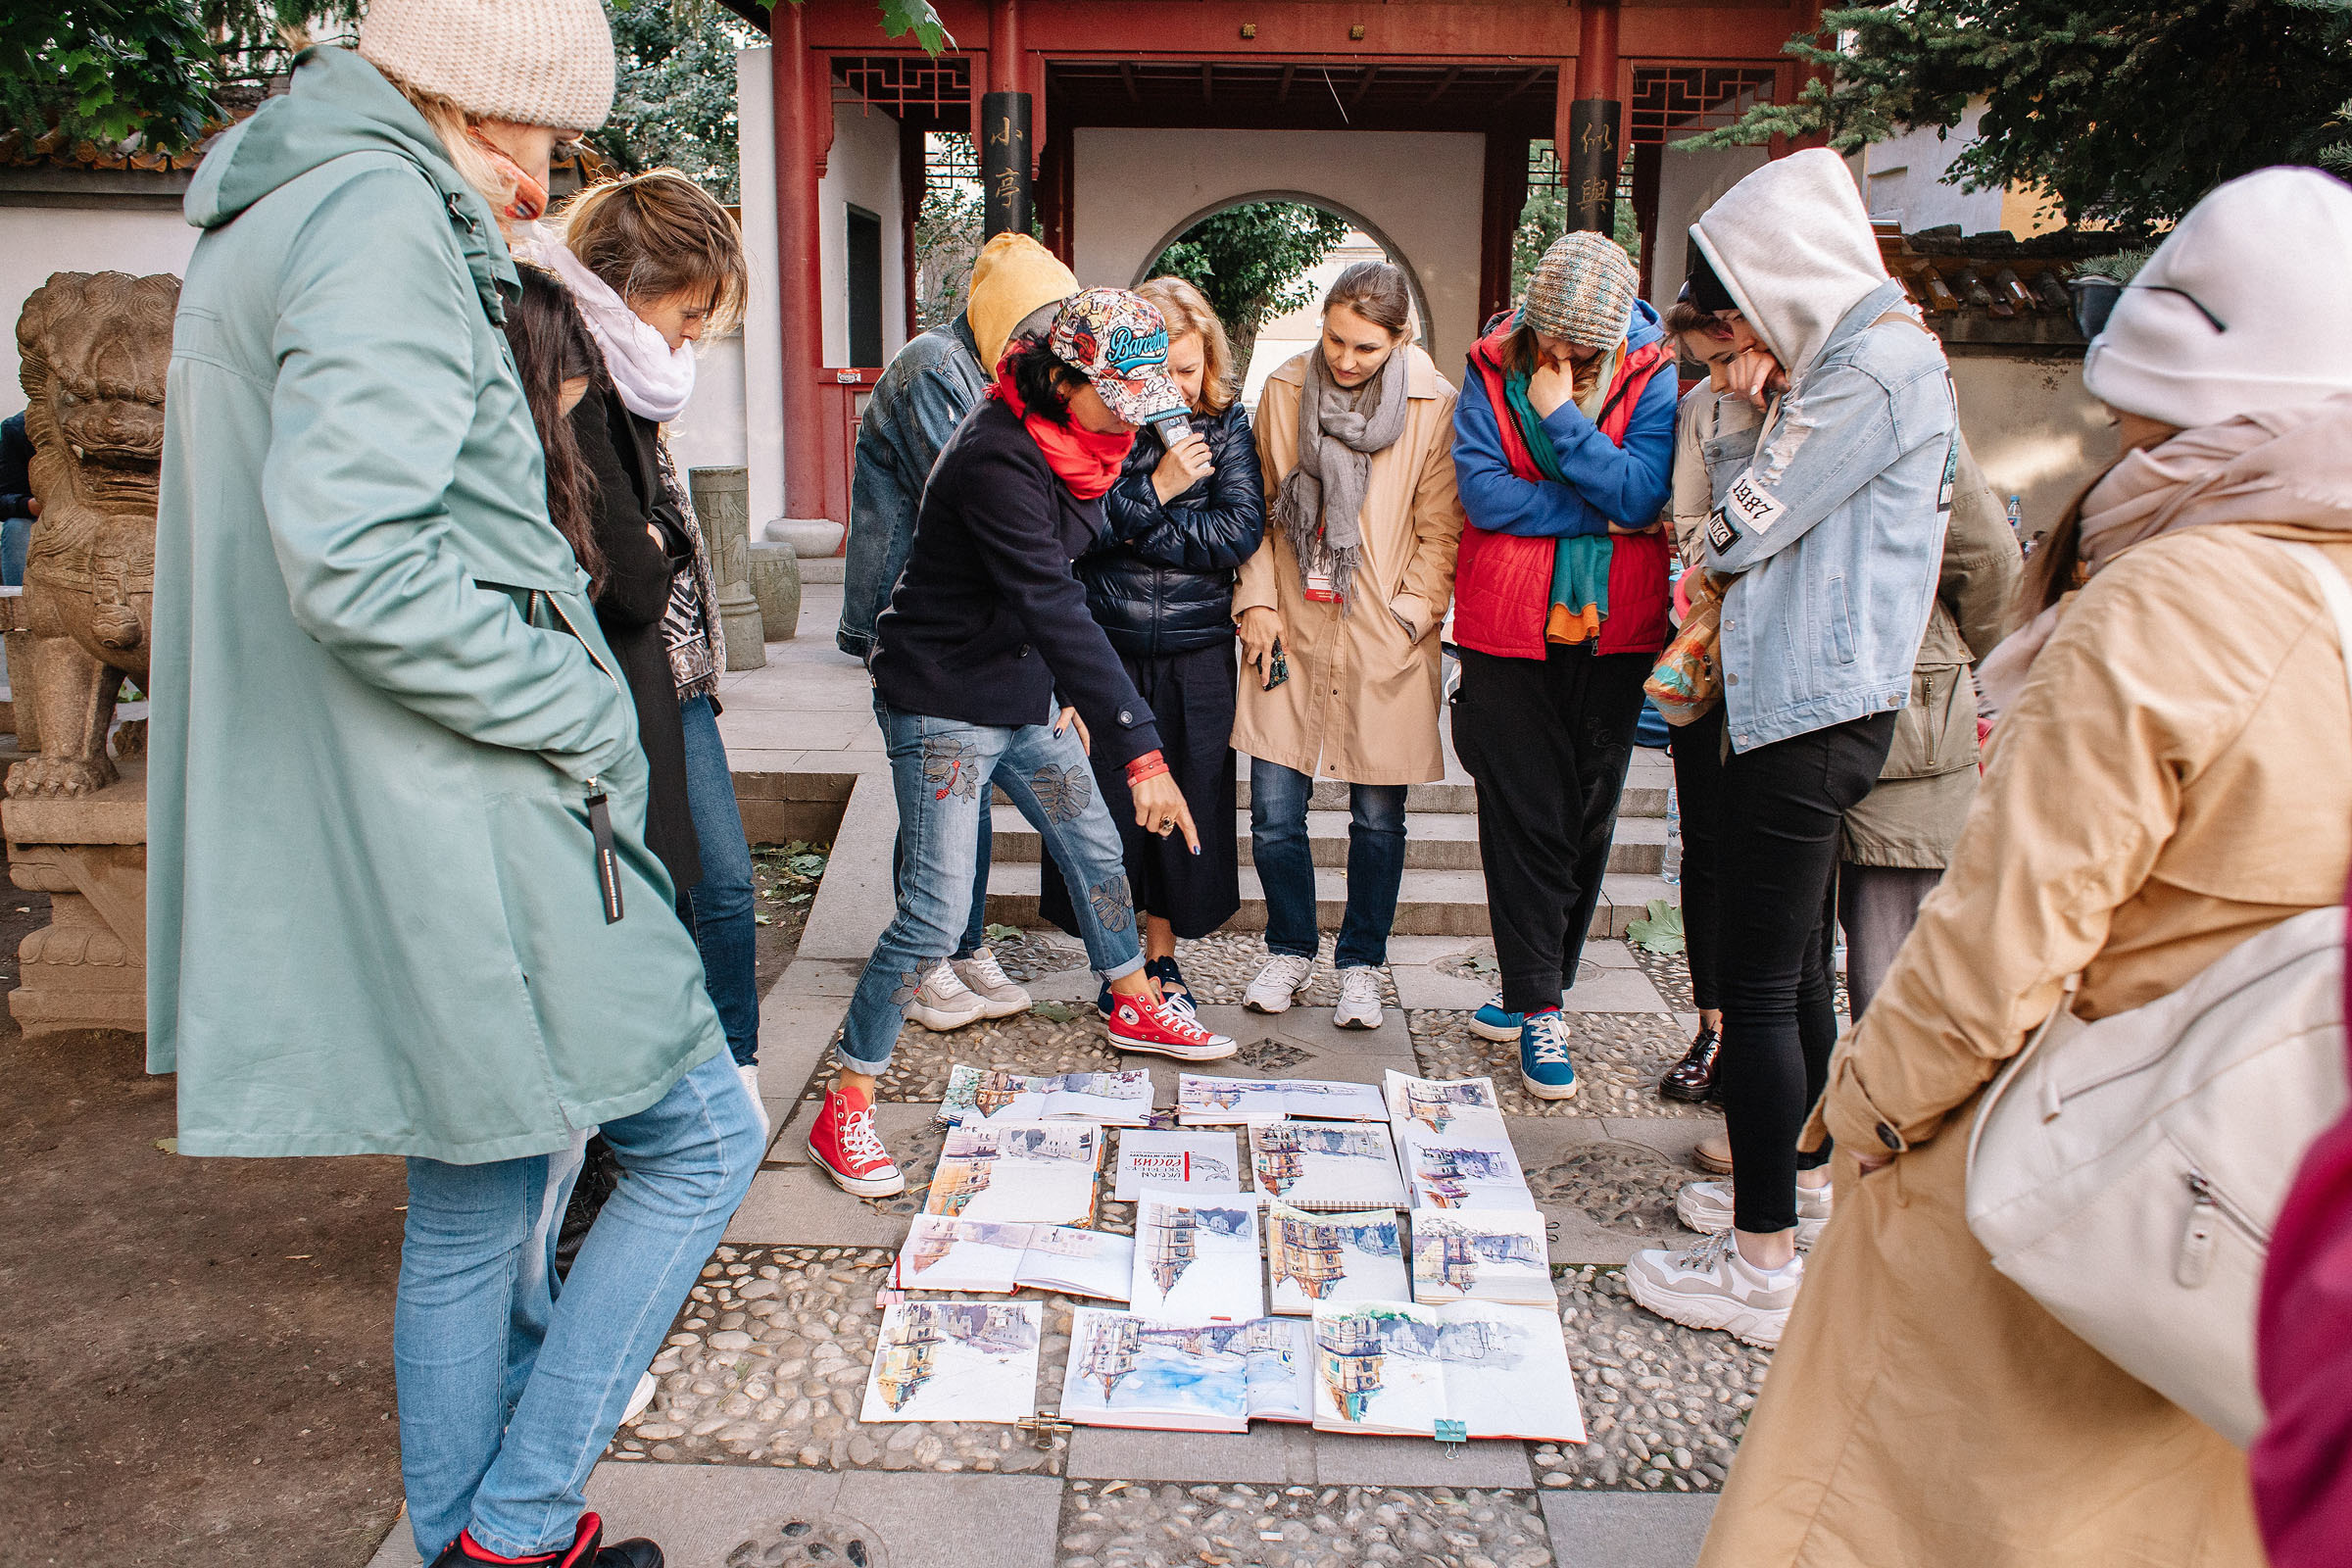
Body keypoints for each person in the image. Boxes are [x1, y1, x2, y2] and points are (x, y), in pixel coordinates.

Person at [150, 12, 759, 1568]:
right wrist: (577, 704)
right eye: (537, 135)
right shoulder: (377, 213)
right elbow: (359, 559)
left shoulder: (278, 199)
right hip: (468, 796)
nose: (541, 180)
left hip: (389, 790)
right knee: (702, 1140)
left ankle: (468, 1546)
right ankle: (519, 1517)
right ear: (467, 98)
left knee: (480, 1190)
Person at [1698, 164, 2352, 1568]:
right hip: (2246, 1166)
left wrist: (1866, 1111)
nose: (2110, 427)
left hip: (2075, 1136)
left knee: (1907, 1496)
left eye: (2128, 404)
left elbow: (2004, 938)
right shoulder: (2326, 579)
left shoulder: (2175, 596)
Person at [1623, 149, 1957, 1347]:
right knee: (1797, 974)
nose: (1725, 373)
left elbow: (1741, 529)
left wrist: (1730, 483)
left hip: (1812, 709)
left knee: (1759, 986)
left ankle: (1760, 1266)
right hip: (1804, 701)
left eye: (1726, 346)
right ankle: (1797, 1187)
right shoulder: (1858, 362)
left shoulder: (1870, 368)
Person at [808, 289, 1238, 1199]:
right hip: (943, 699)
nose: (1132, 420)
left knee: (1096, 846)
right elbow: (1053, 597)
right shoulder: (997, 455)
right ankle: (844, 1101)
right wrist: (1143, 752)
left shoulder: (1084, 441)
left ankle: (1133, 999)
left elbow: (1077, 544)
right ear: (1063, 380)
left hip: (1018, 688)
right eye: (1117, 400)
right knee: (934, 915)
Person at [525, 171, 764, 1120]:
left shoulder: (628, 373)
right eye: (688, 309)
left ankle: (729, 1074)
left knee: (716, 884)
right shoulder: (574, 365)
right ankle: (697, 1088)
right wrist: (662, 538)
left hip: (680, 674)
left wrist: (660, 538)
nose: (693, 334)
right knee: (685, 888)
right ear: (630, 286)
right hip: (628, 675)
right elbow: (628, 567)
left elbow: (654, 531)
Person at [1448, 232, 1679, 1100]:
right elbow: (1484, 495)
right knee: (1526, 814)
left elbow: (1644, 493)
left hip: (1613, 630)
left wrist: (1559, 418)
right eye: (1548, 336)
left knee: (1587, 812)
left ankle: (1537, 980)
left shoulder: (1653, 374)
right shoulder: (1489, 367)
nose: (1559, 356)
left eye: (1581, 348)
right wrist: (1596, 512)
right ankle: (1541, 1005)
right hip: (1507, 625)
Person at [838, 233, 1078, 1029]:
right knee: (941, 790)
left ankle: (963, 944)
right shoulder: (936, 367)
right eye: (1040, 331)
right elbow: (994, 502)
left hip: (976, 624)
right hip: (915, 621)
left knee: (965, 785)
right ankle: (928, 960)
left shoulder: (1000, 371)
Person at [1234, 261, 1465, 1030]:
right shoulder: (1284, 389)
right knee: (1273, 813)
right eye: (1335, 339)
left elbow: (1441, 530)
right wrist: (1256, 599)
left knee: (1377, 820)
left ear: (1401, 338)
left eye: (1366, 348)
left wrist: (1410, 616)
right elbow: (1259, 510)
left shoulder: (1434, 405)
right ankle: (1290, 948)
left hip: (1381, 634)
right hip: (1290, 627)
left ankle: (1361, 963)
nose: (1344, 358)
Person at [1039, 275, 1263, 1004]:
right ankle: (1119, 963)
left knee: (1188, 800)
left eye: (1190, 369)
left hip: (1198, 648)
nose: (1177, 386)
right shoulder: (1100, 423)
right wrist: (1163, 487)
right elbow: (1078, 529)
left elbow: (1238, 532)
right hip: (1104, 645)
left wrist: (1135, 528)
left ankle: (1163, 958)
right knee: (1103, 809)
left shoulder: (1226, 426)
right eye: (1162, 370)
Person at [1649, 297, 1762, 1114]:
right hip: (1712, 644)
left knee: (1779, 852)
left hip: (1793, 660)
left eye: (1724, 355)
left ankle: (1771, 1034)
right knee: (1709, 847)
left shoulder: (1826, 397)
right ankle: (1714, 1023)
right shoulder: (1701, 409)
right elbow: (1688, 518)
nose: (1718, 377)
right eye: (1706, 363)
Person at [0, 410, 33, 585]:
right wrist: (28, 505)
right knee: (16, 528)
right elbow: (4, 498)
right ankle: (20, 599)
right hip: (42, 516)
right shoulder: (18, 428)